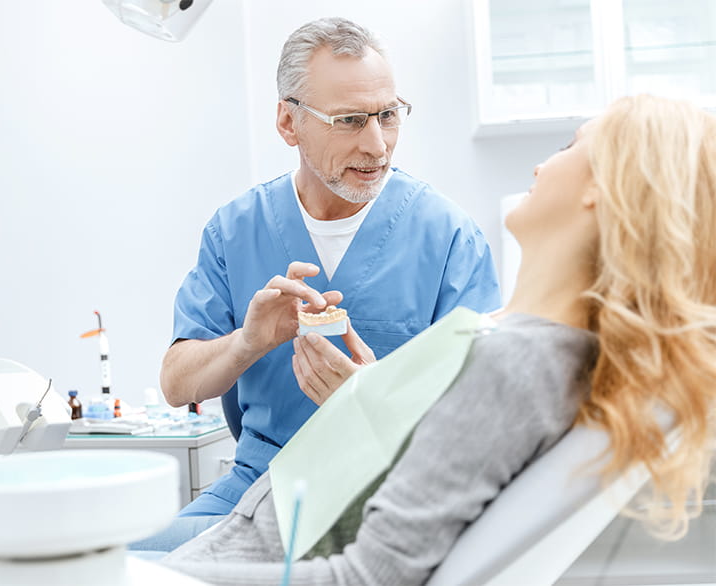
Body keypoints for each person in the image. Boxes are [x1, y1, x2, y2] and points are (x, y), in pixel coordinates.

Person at [154, 94, 716, 584]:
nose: (544, 163)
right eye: (349, 118)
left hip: (257, 551)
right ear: (290, 122)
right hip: (258, 528)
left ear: (603, 188)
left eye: (571, 147)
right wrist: (370, 399)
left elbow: (370, 575)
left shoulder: (514, 363)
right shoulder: (534, 350)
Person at [141, 17, 501, 549]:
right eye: (351, 120)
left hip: (387, 493)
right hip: (255, 488)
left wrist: (374, 401)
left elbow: (486, 419)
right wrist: (249, 342)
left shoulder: (447, 238)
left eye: (388, 115)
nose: (377, 145)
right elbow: (177, 384)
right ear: (288, 123)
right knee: (112, 558)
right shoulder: (235, 230)